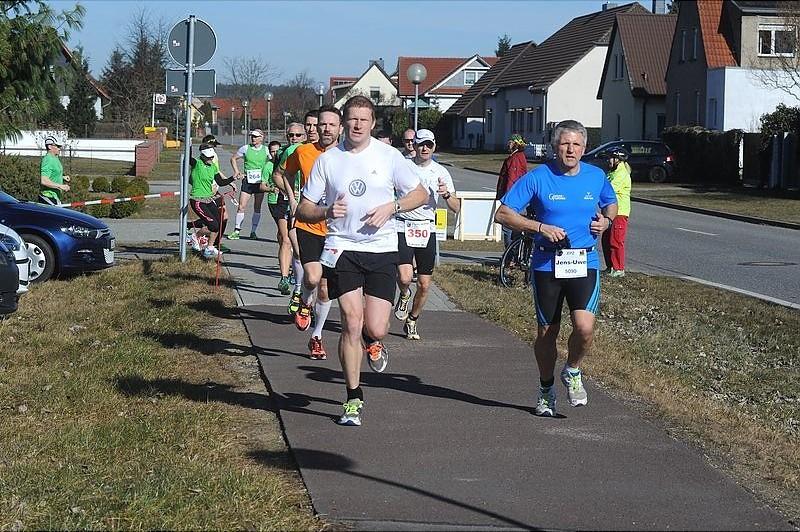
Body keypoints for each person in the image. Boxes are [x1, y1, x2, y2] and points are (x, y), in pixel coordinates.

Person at [297, 95, 427, 426]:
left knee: (377, 327)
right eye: (352, 119)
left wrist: (392, 207)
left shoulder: (389, 156)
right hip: (342, 248)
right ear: (344, 122)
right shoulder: (329, 160)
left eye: (363, 120)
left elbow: (420, 194)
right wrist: (326, 211)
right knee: (351, 323)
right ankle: (353, 398)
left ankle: (374, 341)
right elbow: (303, 208)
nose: (357, 125)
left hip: (381, 249)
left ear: (372, 123)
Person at [494, 120, 618, 418]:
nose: (570, 150)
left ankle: (572, 369)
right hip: (547, 264)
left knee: (584, 328)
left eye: (576, 144)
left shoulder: (596, 176)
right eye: (565, 144)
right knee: (547, 332)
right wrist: (539, 227)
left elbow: (611, 204)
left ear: (584, 148)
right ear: (554, 147)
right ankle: (546, 389)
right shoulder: (539, 177)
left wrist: (607, 221)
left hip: (584, 261)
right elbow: (503, 214)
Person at [285, 105, 343, 359]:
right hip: (308, 224)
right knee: (311, 277)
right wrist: (293, 200)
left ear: (340, 128)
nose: (326, 129)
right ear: (317, 127)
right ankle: (304, 302)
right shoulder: (304, 151)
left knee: (326, 289)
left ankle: (316, 336)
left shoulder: (347, 155)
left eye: (332, 125)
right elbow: (284, 174)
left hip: (334, 231)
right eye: (322, 124)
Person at [393, 129, 460, 340]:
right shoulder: (403, 166)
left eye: (429, 145)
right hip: (403, 225)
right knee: (405, 277)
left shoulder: (441, 171)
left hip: (426, 228)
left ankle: (412, 319)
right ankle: (404, 294)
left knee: (424, 284)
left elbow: (456, 207)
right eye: (421, 144)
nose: (425, 148)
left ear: (434, 147)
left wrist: (446, 194)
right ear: (414, 145)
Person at [272, 122, 307, 311]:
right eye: (291, 135)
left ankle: (304, 292)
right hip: (289, 204)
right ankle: (289, 280)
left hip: (316, 208)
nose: (294, 138)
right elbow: (277, 175)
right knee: (290, 242)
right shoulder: (288, 151)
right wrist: (291, 194)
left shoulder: (321, 152)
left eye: (297, 135)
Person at [187, 143, 240, 259]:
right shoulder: (197, 163)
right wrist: (189, 144)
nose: (211, 159)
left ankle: (210, 247)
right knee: (213, 225)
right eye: (208, 157)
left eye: (212, 157)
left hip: (209, 199)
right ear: (202, 156)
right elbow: (188, 157)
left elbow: (220, 182)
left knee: (219, 222)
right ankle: (195, 237)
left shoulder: (213, 167)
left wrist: (232, 178)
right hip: (197, 200)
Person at [228, 129, 269, 240]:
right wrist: (237, 172)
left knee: (257, 207)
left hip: (260, 182)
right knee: (241, 206)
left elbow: (272, 162)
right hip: (248, 181)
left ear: (262, 137)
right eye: (252, 136)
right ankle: (236, 231)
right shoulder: (245, 148)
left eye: (255, 136)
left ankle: (253, 232)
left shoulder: (266, 150)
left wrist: (268, 176)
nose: (253, 138)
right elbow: (233, 159)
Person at [600, 147, 631, 278]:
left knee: (616, 240)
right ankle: (610, 267)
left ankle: (618, 269)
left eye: (611, 158)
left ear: (618, 159)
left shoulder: (621, 173)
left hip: (619, 212)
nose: (609, 161)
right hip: (609, 212)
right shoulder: (612, 172)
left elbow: (609, 190)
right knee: (606, 239)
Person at [496, 134, 528, 249]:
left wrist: (509, 200)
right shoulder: (515, 156)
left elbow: (513, 178)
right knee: (514, 227)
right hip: (517, 197)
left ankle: (511, 254)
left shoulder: (516, 158)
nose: (508, 144)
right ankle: (513, 253)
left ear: (515, 144)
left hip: (514, 199)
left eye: (510, 142)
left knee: (509, 226)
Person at [39, 136, 70, 205]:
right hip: (48, 196)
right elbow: (44, 181)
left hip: (55, 196)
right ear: (49, 147)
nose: (59, 148)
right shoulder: (48, 159)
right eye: (57, 146)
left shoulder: (55, 158)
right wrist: (61, 186)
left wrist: (62, 177)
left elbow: (52, 173)